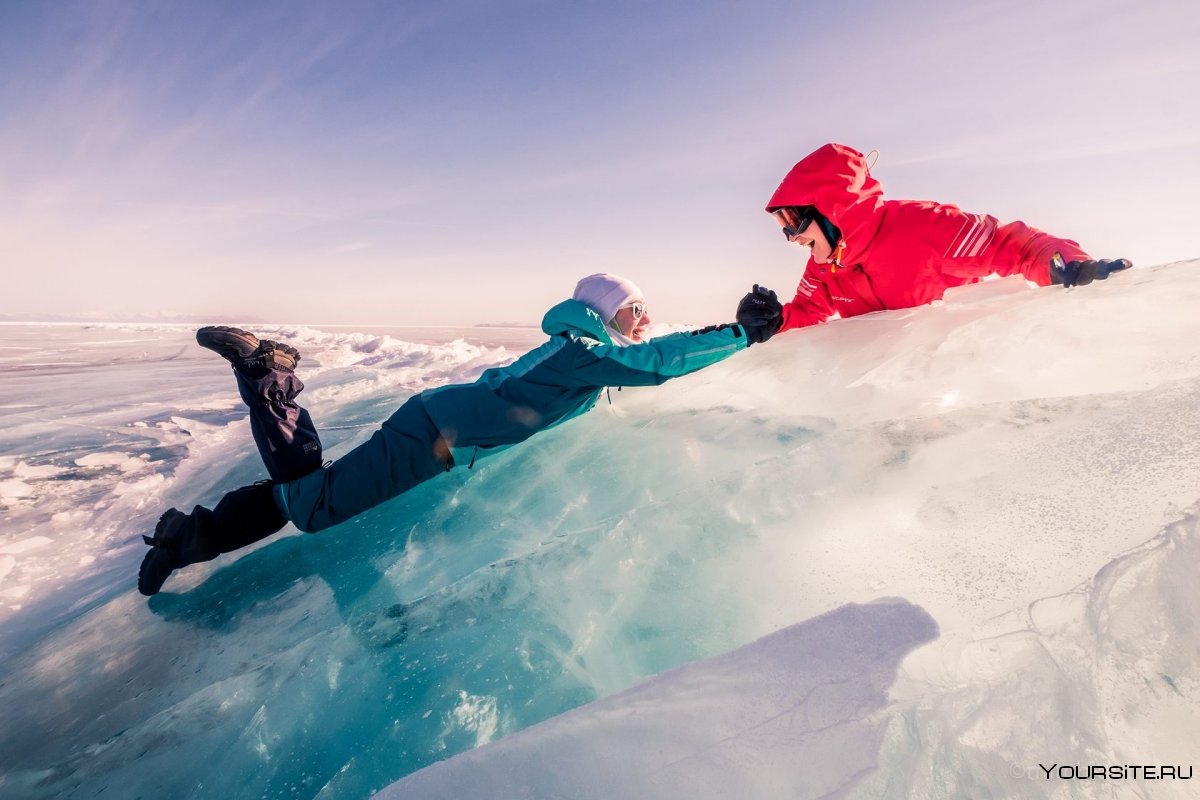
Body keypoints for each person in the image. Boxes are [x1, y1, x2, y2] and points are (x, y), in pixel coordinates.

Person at [138, 273, 774, 596]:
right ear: (611, 311)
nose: (647, 318)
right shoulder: (584, 349)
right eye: (637, 308)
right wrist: (741, 332)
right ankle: (266, 372)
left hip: (437, 425)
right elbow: (657, 363)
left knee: (300, 497)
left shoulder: (577, 346)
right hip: (434, 435)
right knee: (313, 505)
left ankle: (187, 539)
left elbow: (640, 356)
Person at [734, 143, 1132, 339]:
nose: (791, 234)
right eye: (781, 224)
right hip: (883, 395)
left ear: (830, 207)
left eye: (792, 218)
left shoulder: (923, 227)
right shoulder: (827, 265)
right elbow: (808, 310)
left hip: (956, 376)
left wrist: (1065, 262)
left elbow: (1014, 245)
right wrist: (773, 319)